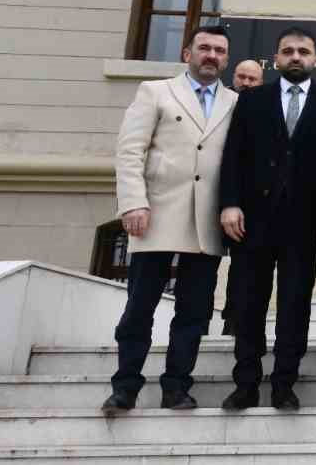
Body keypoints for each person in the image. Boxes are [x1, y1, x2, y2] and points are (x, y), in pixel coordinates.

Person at [102, 26, 238, 414]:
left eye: (219, 50)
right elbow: (130, 150)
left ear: (226, 59)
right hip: (156, 214)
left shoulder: (235, 102)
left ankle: (177, 386)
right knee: (139, 308)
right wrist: (132, 203)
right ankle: (125, 386)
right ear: (187, 53)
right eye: (204, 48)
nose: (211, 55)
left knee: (194, 313)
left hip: (206, 221)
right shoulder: (155, 92)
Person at [218, 27, 316, 411]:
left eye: (303, 51)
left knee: (294, 305)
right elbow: (233, 156)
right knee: (248, 303)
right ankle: (246, 382)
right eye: (288, 51)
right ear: (275, 58)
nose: (295, 57)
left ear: (315, 60)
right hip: (252, 221)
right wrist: (230, 203)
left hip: (304, 225)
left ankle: (284, 383)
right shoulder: (252, 101)